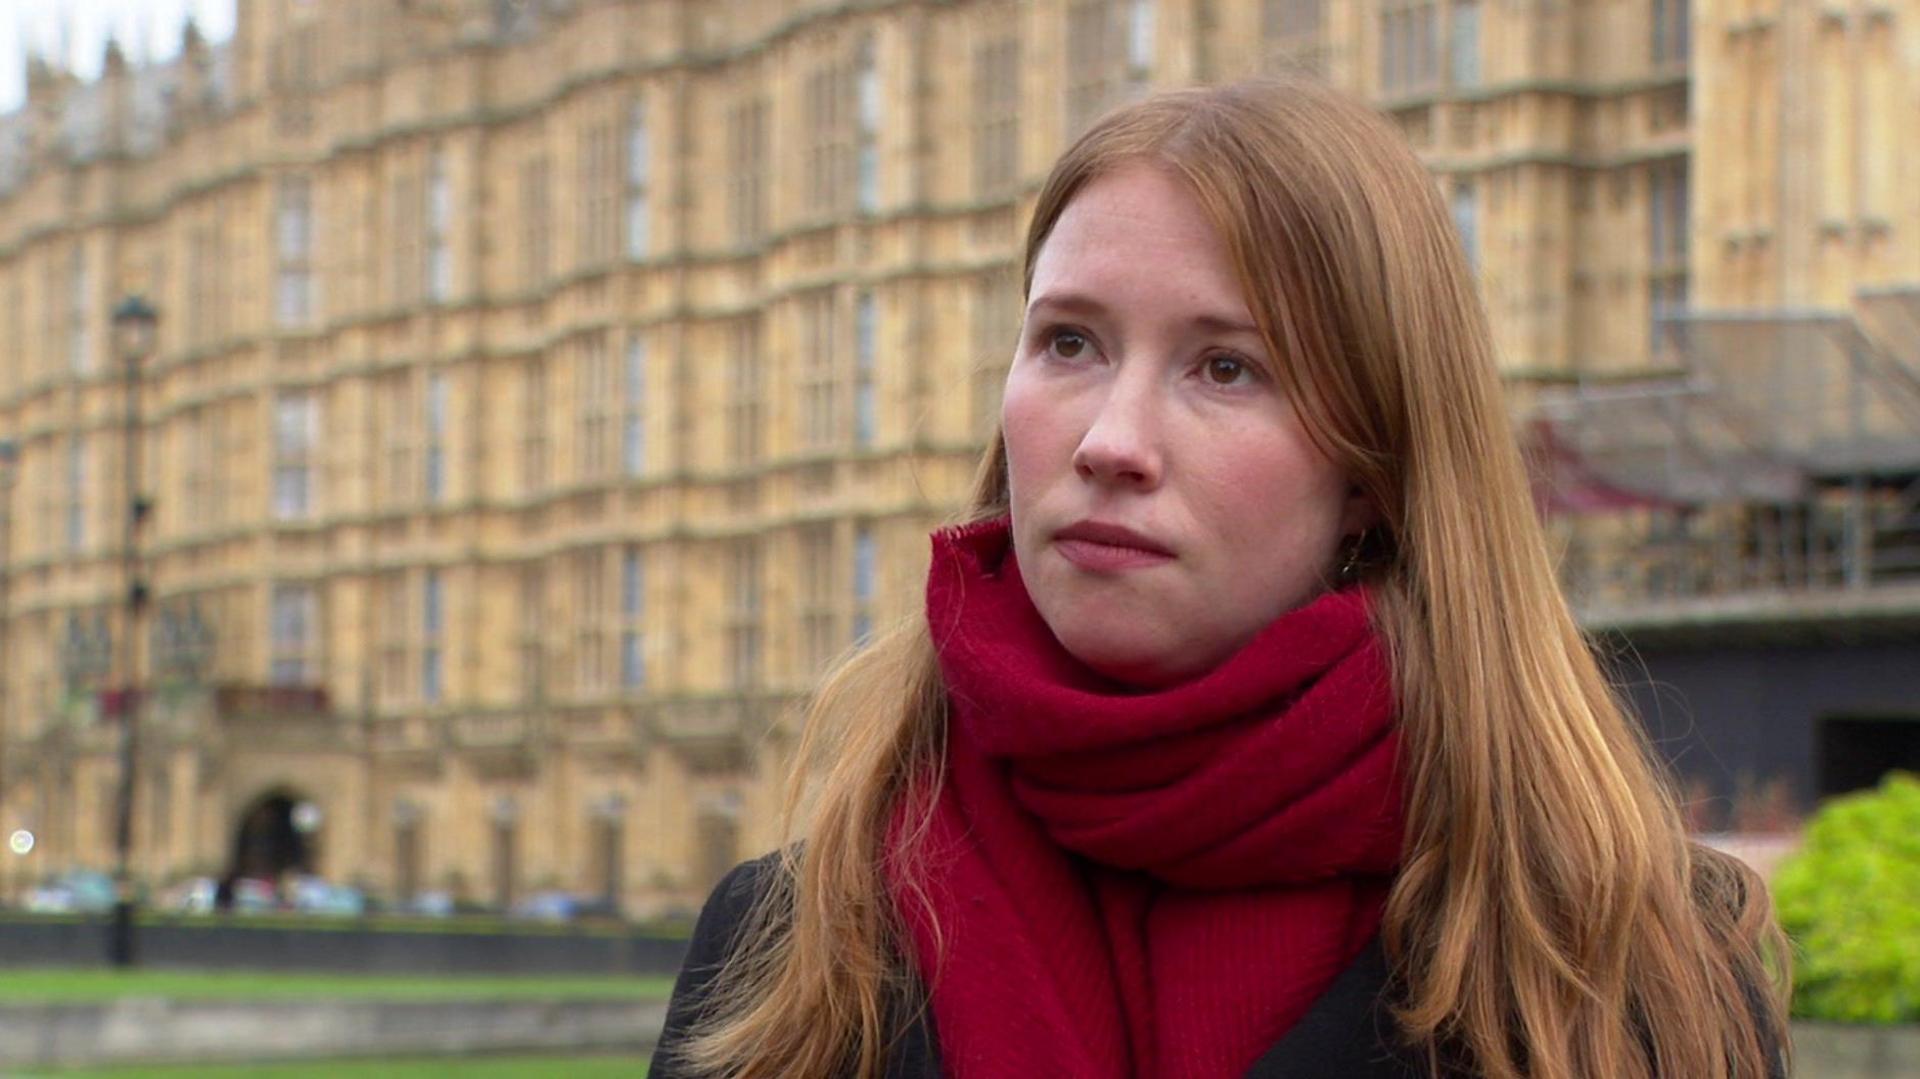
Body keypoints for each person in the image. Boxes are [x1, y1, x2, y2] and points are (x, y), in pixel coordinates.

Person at [652, 77, 1788, 1079]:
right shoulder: (787, 946)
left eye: (1227, 367)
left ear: (1373, 469)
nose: (1111, 437)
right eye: (1070, 342)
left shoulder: (1637, 972)